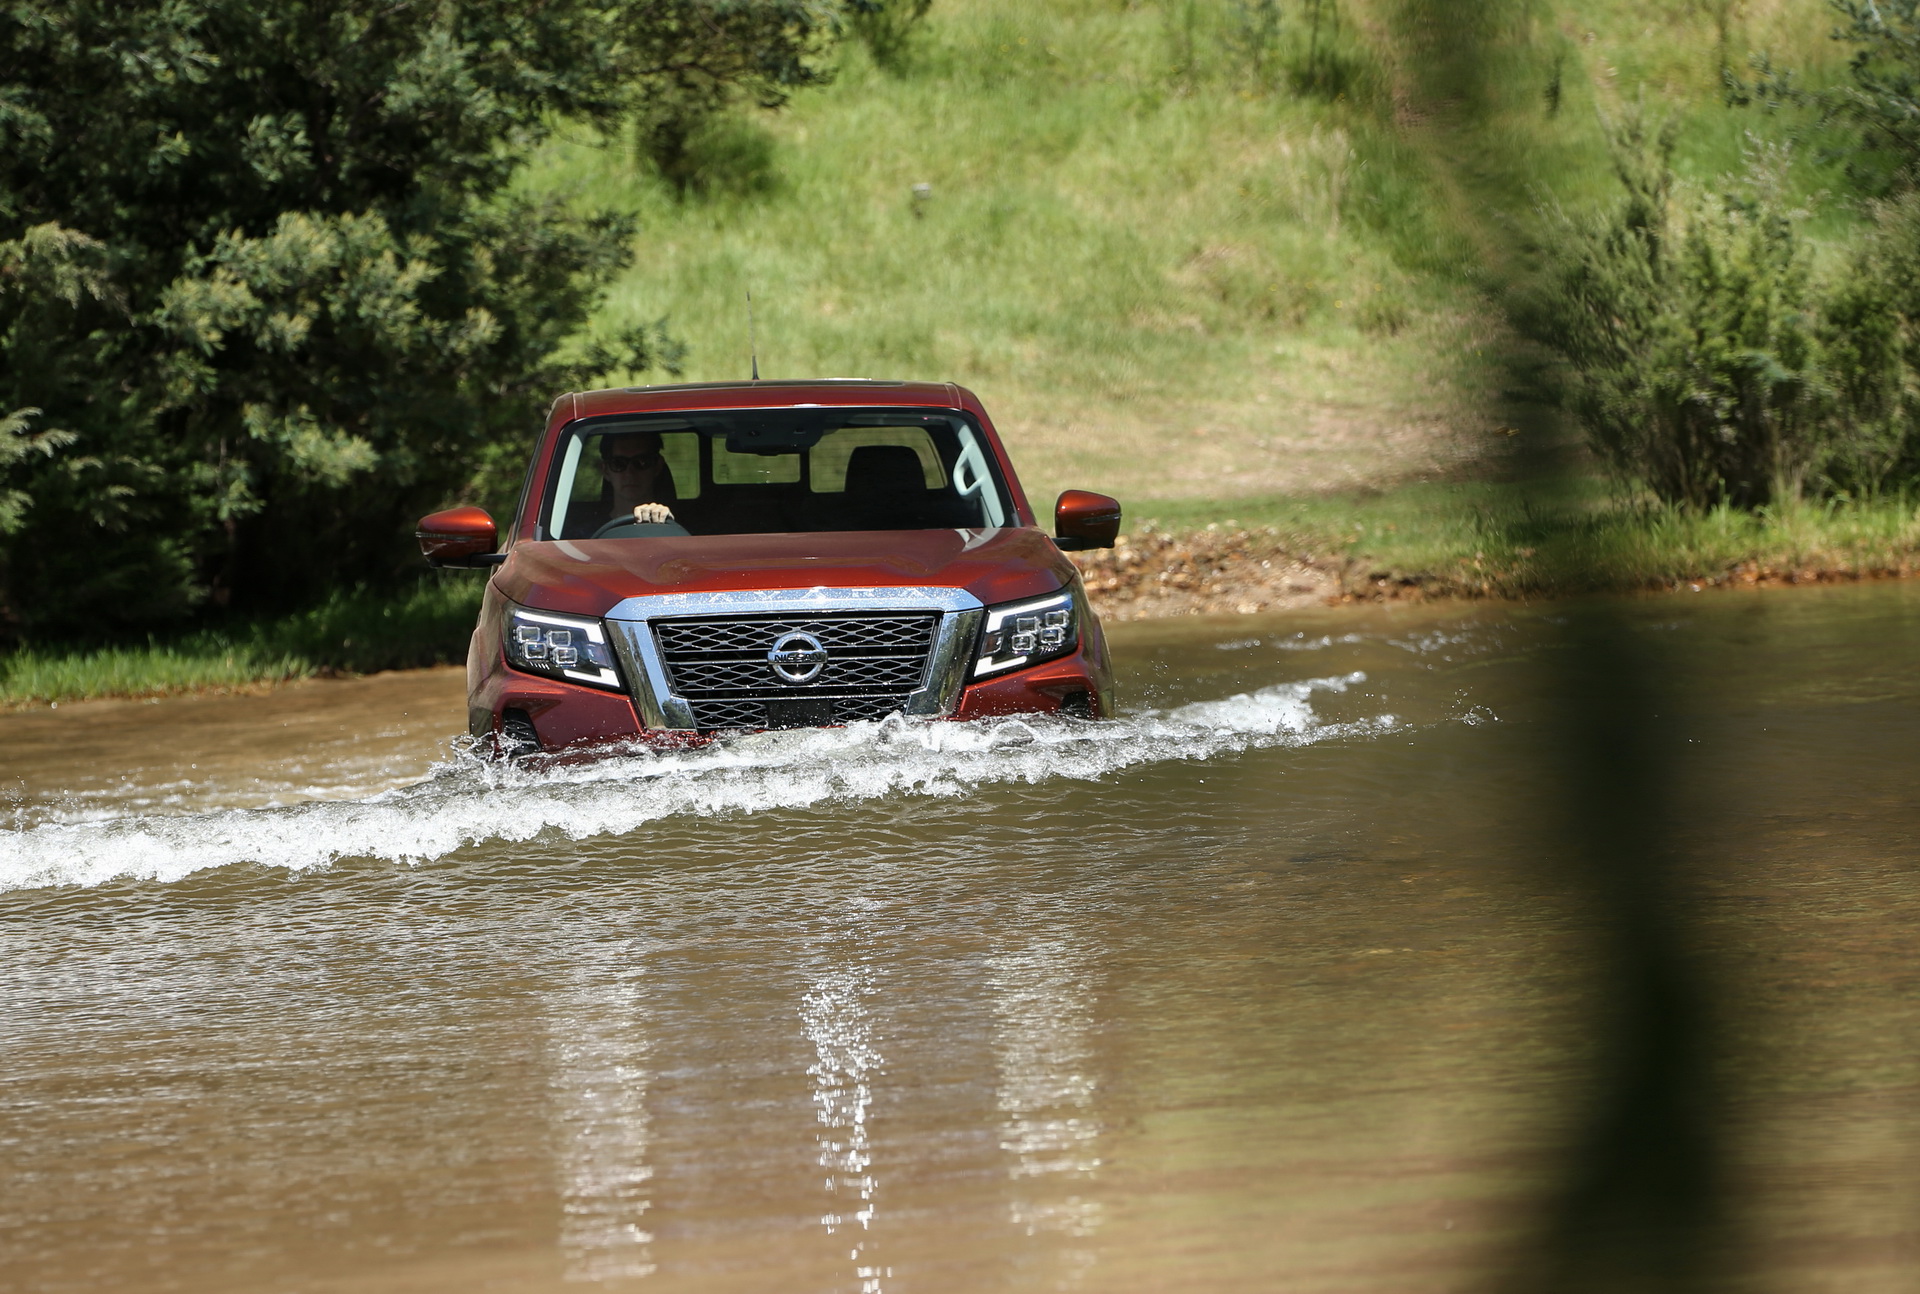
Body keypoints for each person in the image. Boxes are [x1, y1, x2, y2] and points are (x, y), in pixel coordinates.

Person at [597, 430, 676, 527]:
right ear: (605, 470)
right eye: (618, 463)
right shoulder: (586, 533)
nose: (630, 473)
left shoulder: (684, 526)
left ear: (657, 466)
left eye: (641, 462)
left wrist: (664, 520)